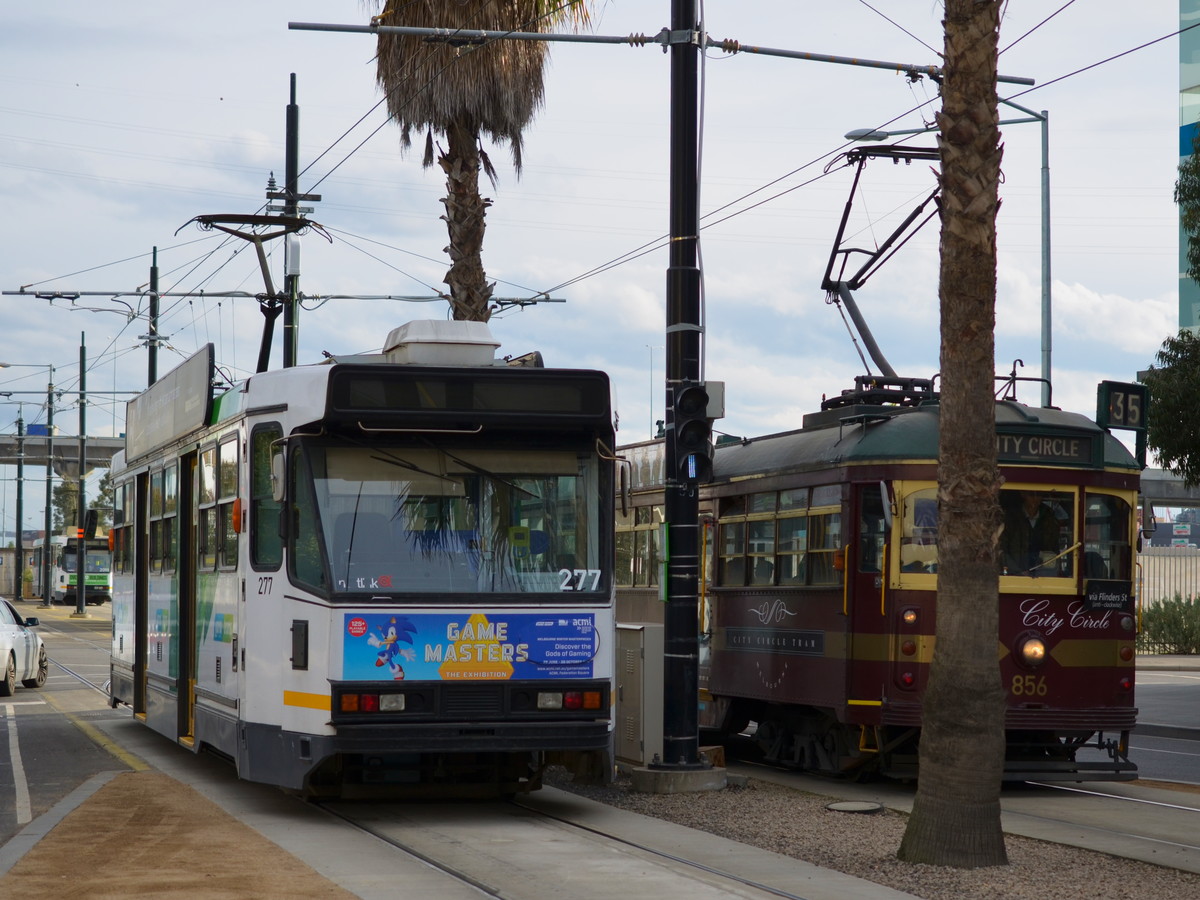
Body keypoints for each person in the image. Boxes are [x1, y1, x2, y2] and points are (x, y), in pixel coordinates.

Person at [1002, 491, 1061, 575]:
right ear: (1023, 495)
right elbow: (1002, 551)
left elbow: (1053, 549)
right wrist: (1017, 571)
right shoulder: (1010, 519)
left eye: (1039, 495)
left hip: (1043, 577)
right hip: (1014, 576)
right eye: (1031, 495)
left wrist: (1048, 571)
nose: (1035, 499)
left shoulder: (1049, 518)